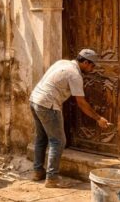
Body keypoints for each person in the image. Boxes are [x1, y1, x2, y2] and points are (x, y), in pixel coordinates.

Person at [30, 49, 111, 187]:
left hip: (35, 100)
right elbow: (81, 103)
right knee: (58, 142)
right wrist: (98, 118)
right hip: (48, 105)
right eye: (92, 66)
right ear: (85, 62)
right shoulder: (75, 75)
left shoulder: (63, 63)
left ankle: (38, 172)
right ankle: (52, 178)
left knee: (41, 138)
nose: (93, 69)